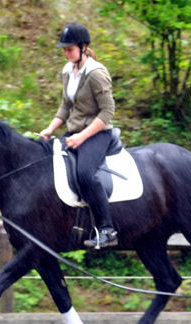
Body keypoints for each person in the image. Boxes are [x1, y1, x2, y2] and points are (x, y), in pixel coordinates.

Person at [40, 23, 118, 249]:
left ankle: (107, 229)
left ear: (83, 47)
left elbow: (107, 112)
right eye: (63, 49)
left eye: (70, 49)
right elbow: (66, 106)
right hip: (75, 132)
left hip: (98, 133)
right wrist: (50, 128)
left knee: (85, 173)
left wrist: (82, 137)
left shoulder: (96, 74)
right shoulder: (67, 71)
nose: (65, 53)